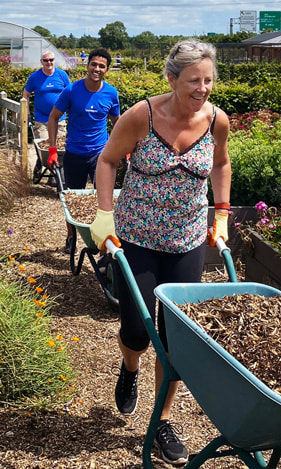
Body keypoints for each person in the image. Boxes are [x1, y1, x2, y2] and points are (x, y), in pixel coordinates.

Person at [89, 39, 231, 467]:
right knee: (136, 329)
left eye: (208, 80)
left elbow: (221, 164)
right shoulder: (142, 116)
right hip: (136, 237)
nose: (203, 89)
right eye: (193, 81)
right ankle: (129, 368)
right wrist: (104, 215)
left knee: (175, 342)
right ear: (171, 79)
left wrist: (220, 215)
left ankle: (163, 420)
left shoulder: (217, 120)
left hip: (186, 240)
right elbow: (108, 160)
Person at [47, 48, 120, 246]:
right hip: (74, 154)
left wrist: (124, 148)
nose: (97, 69)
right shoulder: (72, 90)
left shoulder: (111, 93)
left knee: (104, 200)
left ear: (107, 69)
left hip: (100, 156)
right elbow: (53, 117)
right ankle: (71, 236)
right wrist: (53, 150)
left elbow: (118, 123)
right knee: (72, 199)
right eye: (94, 64)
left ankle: (103, 239)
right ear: (87, 65)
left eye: (101, 66)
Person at [23, 51, 71, 141]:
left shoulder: (62, 75)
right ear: (41, 62)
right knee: (45, 148)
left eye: (51, 60)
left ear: (54, 60)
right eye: (46, 60)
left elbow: (70, 93)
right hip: (41, 120)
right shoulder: (34, 77)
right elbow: (26, 95)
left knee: (60, 147)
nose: (49, 62)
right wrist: (27, 115)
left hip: (59, 119)